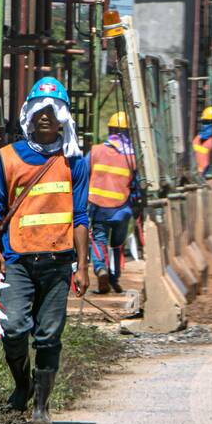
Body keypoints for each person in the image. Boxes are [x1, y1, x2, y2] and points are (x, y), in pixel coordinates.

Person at [0, 78, 90, 424]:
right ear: (28, 113)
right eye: (40, 110)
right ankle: (23, 386)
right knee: (13, 328)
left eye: (53, 110)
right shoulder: (9, 156)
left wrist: (82, 267)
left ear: (62, 117)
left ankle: (42, 407)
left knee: (48, 335)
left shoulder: (74, 161)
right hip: (17, 261)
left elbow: (81, 216)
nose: (46, 117)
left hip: (58, 263)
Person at [87, 111, 139, 294]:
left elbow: (82, 175)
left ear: (110, 130)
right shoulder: (133, 157)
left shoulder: (96, 151)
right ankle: (114, 276)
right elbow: (137, 186)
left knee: (98, 240)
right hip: (122, 210)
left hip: (99, 208)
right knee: (118, 244)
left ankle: (101, 269)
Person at [193, 105, 212, 173]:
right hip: (207, 176)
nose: (207, 125)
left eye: (208, 122)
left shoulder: (196, 140)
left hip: (199, 176)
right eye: (206, 122)